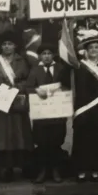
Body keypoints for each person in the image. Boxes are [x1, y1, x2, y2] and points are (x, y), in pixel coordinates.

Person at [0, 30, 32, 181]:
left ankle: (17, 166)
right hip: (0, 102)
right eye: (4, 44)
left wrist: (18, 88)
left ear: (15, 46)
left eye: (10, 44)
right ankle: (2, 168)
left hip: (17, 102)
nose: (7, 47)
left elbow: (28, 80)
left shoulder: (22, 61)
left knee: (17, 135)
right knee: (1, 136)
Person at [72, 30, 98, 181]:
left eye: (96, 47)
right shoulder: (79, 66)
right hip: (84, 107)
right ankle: (82, 169)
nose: (94, 50)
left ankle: (96, 169)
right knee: (83, 140)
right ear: (86, 50)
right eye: (91, 48)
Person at [27, 42, 71, 183]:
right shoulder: (34, 70)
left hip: (57, 112)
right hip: (41, 114)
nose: (46, 57)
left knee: (56, 141)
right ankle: (43, 170)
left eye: (49, 54)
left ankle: (55, 170)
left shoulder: (60, 68)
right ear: (40, 56)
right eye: (44, 54)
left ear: (53, 55)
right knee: (42, 142)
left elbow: (68, 86)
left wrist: (60, 89)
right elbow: (28, 87)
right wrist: (35, 90)